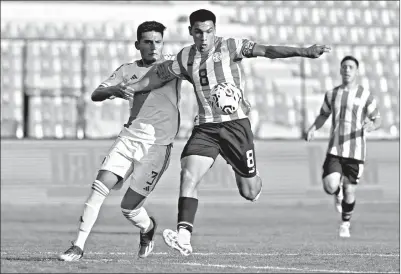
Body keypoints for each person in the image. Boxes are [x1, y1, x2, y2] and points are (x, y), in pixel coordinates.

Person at [120, 9, 330, 256]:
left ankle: (247, 170)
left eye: (209, 31)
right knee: (188, 175)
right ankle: (184, 237)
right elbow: (157, 77)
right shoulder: (185, 56)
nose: (204, 37)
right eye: (198, 32)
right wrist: (128, 88)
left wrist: (304, 51)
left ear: (215, 31)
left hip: (236, 126)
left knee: (249, 192)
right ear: (190, 32)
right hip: (205, 128)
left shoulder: (231, 46)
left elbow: (268, 51)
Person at [58, 21, 182, 261]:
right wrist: (115, 90)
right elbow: (96, 93)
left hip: (157, 147)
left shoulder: (172, 66)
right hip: (128, 139)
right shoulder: (126, 70)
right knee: (99, 187)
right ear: (138, 44)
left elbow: (199, 73)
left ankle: (147, 229)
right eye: (147, 42)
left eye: (157, 41)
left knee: (128, 208)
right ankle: (78, 246)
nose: (153, 46)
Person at [305, 55, 381, 238]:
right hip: (335, 149)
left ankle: (345, 223)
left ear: (356, 71)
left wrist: (371, 126)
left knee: (350, 189)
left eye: (351, 67)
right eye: (344, 67)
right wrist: (313, 128)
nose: (347, 70)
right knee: (330, 186)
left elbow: (377, 119)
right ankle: (336, 192)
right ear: (340, 70)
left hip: (356, 152)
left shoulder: (365, 96)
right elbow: (323, 114)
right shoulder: (332, 94)